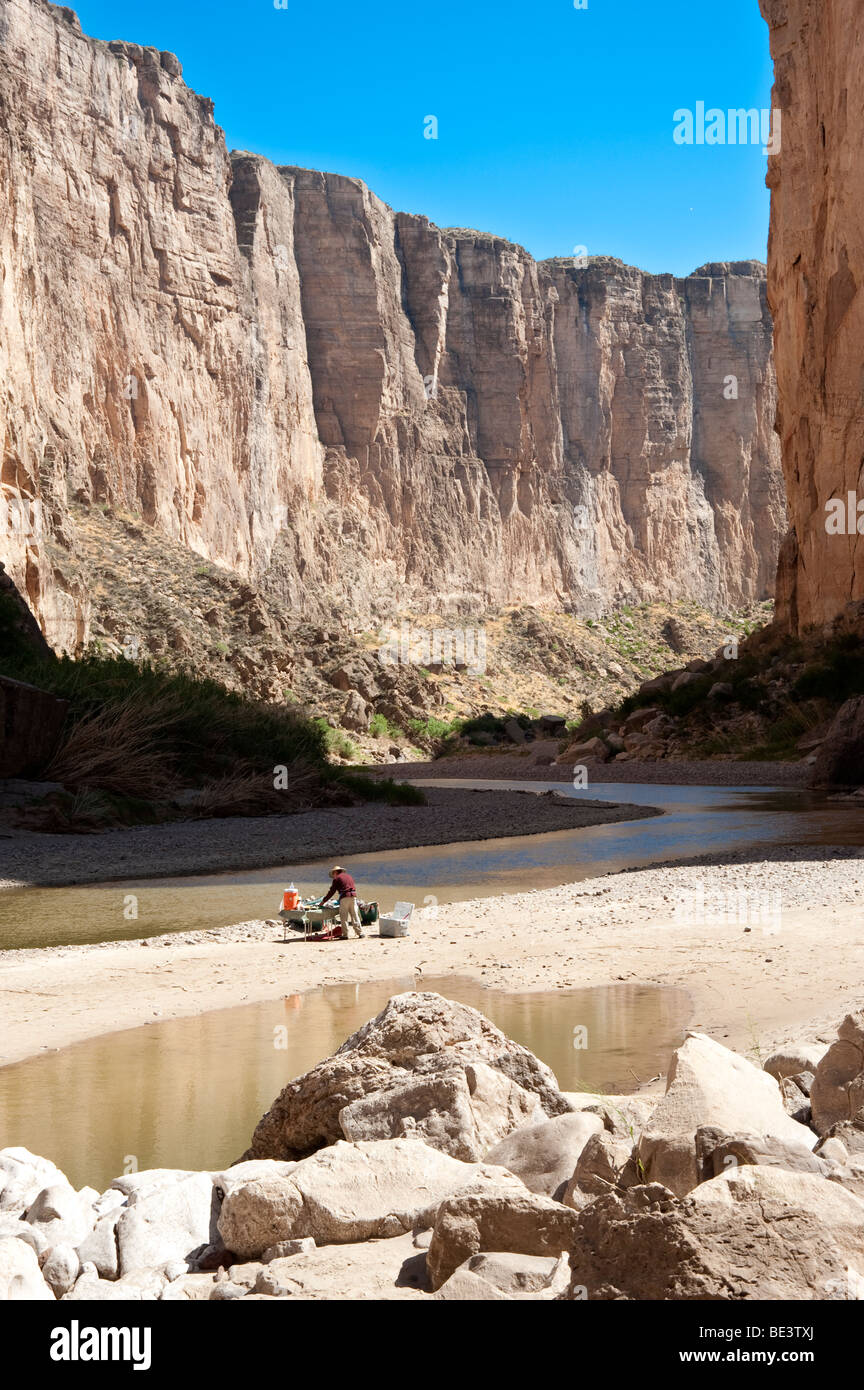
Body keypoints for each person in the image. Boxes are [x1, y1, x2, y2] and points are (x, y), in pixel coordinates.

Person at [319, 865, 365, 940]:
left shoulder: (337, 879)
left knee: (344, 916)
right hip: (353, 896)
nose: (333, 876)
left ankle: (345, 934)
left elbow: (331, 892)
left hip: (344, 898)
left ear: (335, 872)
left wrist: (323, 902)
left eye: (333, 874)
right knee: (355, 915)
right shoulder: (349, 876)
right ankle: (360, 933)